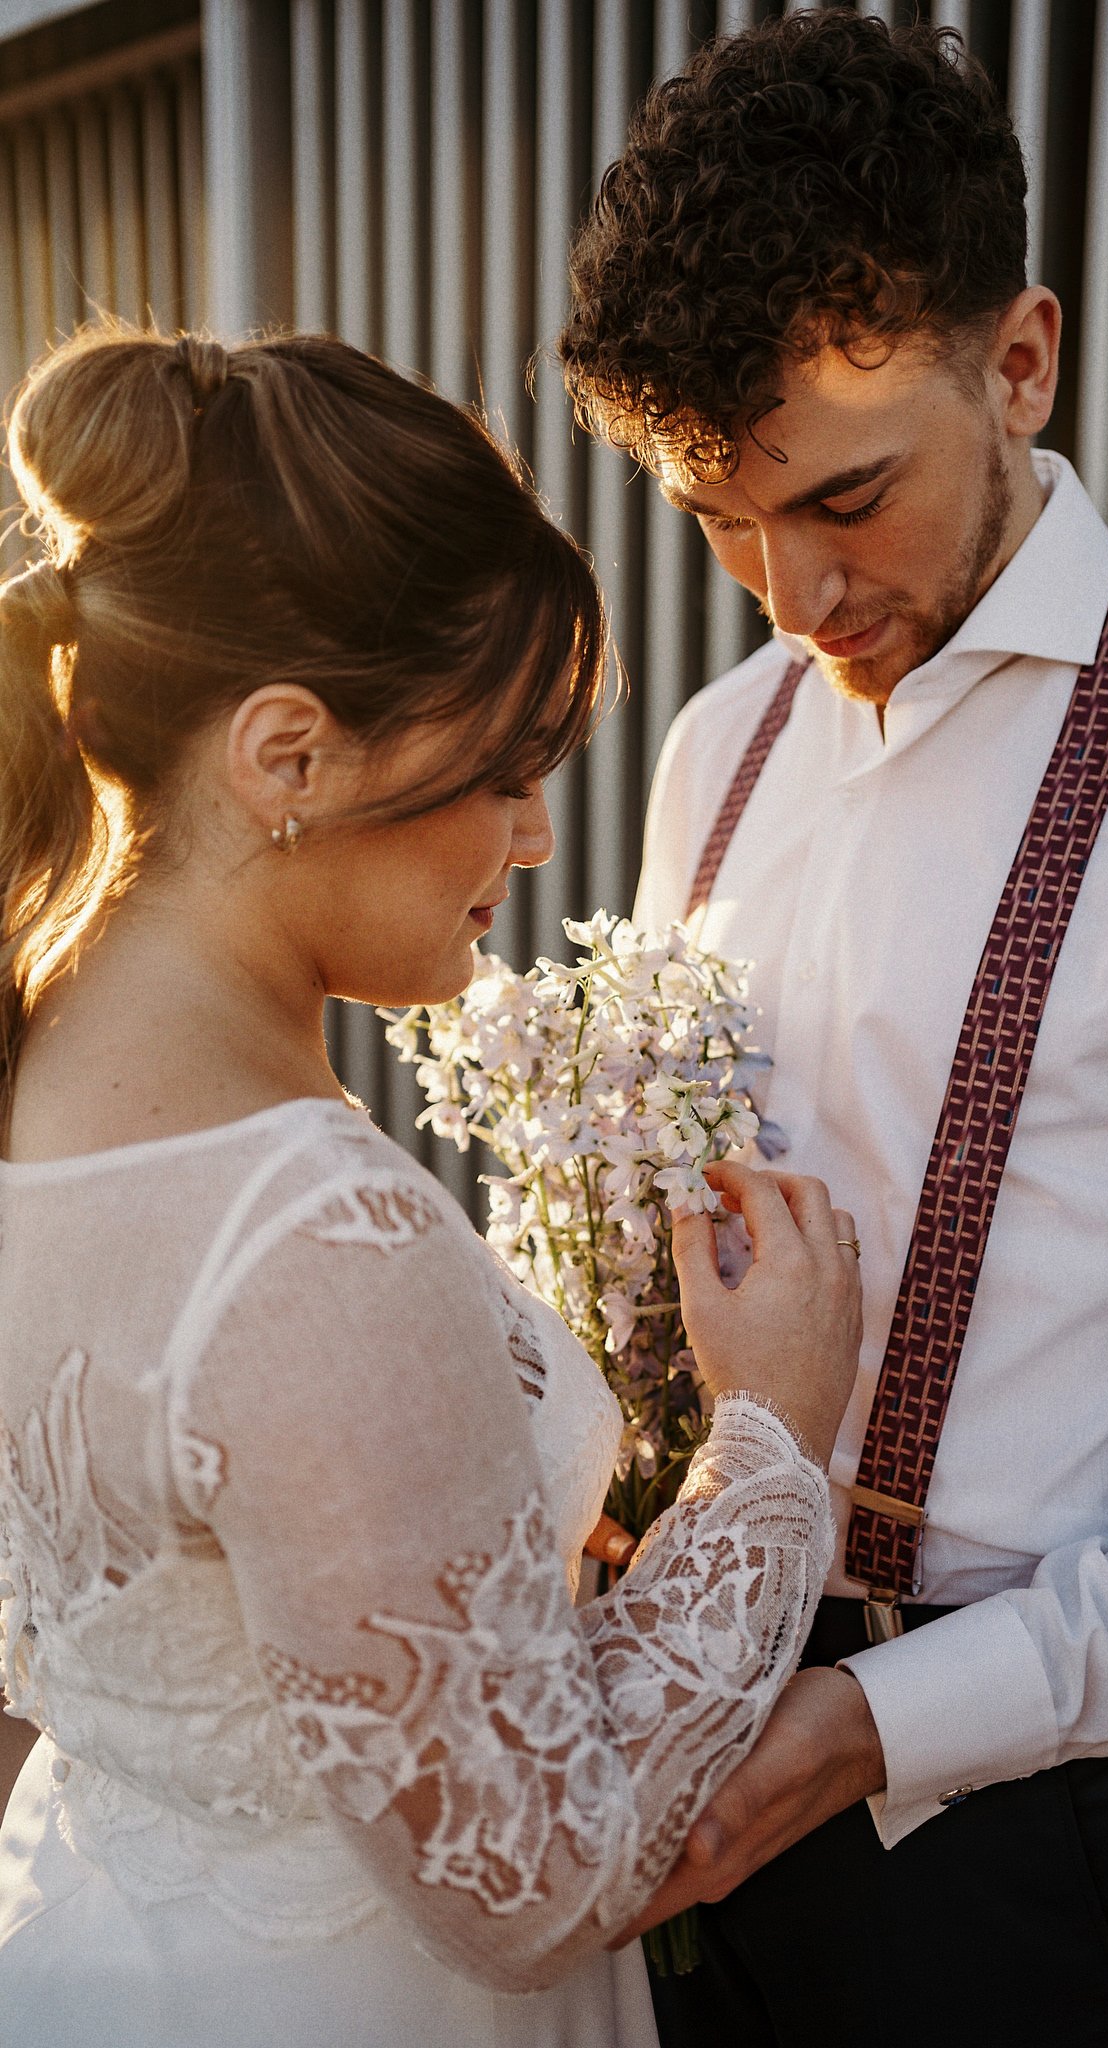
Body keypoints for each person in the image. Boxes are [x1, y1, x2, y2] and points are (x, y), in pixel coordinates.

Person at [559, 14, 1108, 2047]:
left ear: (1020, 360)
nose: (789, 589)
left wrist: (883, 1716)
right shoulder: (711, 746)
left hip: (1019, 1805)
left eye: (843, 495)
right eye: (717, 519)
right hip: (676, 1694)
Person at [0, 323, 864, 2048]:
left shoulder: (34, 1065)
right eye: (505, 771)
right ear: (288, 755)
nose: (535, 838)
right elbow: (531, 1879)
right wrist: (769, 1449)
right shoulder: (315, 1239)